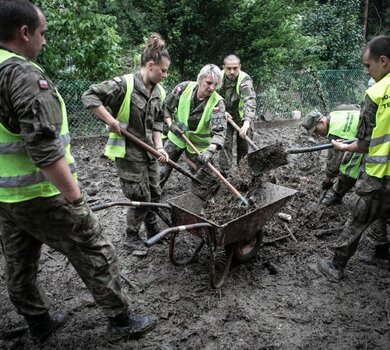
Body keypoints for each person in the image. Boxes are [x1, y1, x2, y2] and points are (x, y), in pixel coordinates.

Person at [0, 0, 156, 342]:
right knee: (94, 248)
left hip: (6, 195)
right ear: (24, 33)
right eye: (42, 34)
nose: (44, 41)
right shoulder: (22, 74)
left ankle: (38, 321)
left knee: (19, 261)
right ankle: (121, 320)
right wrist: (75, 197)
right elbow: (43, 146)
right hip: (42, 192)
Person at [82, 33, 170, 249]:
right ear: (150, 65)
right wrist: (111, 121)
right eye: (163, 70)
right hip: (128, 152)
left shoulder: (159, 91)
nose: (166, 75)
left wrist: (159, 147)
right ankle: (131, 236)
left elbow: (157, 123)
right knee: (139, 196)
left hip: (149, 151)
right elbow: (89, 96)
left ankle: (152, 228)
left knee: (155, 192)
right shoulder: (124, 85)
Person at [318, 35, 390, 282]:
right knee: (382, 212)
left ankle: (336, 266)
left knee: (359, 216)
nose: (367, 71)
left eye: (368, 66)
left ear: (384, 61)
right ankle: (381, 252)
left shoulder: (376, 93)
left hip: (380, 174)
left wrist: (343, 147)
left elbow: (365, 142)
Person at [160, 64, 227, 188]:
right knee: (160, 172)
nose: (212, 88)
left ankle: (204, 202)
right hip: (176, 138)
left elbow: (219, 133)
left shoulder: (217, 103)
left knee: (205, 181)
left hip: (198, 146)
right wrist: (171, 125)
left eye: (215, 84)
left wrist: (210, 151)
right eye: (209, 83)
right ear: (200, 79)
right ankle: (151, 200)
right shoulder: (183, 88)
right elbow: (166, 108)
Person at [302, 104, 363, 206]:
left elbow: (334, 163)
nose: (317, 134)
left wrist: (327, 180)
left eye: (316, 130)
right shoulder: (337, 111)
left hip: (367, 138)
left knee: (348, 169)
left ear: (321, 122)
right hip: (374, 128)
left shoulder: (334, 132)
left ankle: (337, 196)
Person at [218, 54, 257, 177]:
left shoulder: (244, 79)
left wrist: (246, 123)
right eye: (229, 68)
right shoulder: (217, 77)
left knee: (243, 144)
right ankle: (225, 175)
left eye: (235, 68)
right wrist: (220, 110)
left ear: (240, 67)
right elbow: (211, 97)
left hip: (242, 116)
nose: (232, 71)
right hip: (225, 114)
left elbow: (249, 100)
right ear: (223, 67)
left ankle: (242, 174)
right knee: (225, 143)